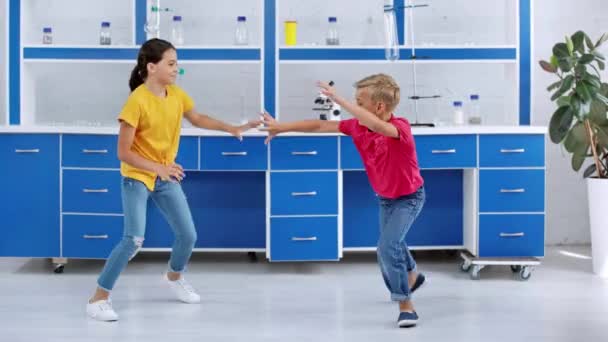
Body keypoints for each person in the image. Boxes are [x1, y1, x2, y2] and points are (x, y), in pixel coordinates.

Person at [86, 38, 259, 322]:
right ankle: (98, 298)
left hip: (164, 173)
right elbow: (123, 152)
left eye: (176, 63)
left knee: (188, 234)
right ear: (152, 67)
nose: (176, 68)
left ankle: (173, 277)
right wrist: (158, 168)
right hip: (138, 175)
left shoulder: (176, 94)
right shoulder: (137, 101)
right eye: (171, 63)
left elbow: (199, 117)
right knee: (133, 238)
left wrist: (232, 127)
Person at [261, 73, 426, 328]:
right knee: (392, 242)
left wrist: (339, 99)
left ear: (379, 107)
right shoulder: (357, 127)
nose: (355, 107)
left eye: (360, 102)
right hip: (385, 198)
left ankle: (406, 305)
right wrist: (281, 126)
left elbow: (381, 127)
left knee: (386, 246)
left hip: (409, 198)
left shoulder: (400, 127)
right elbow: (318, 126)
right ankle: (412, 273)